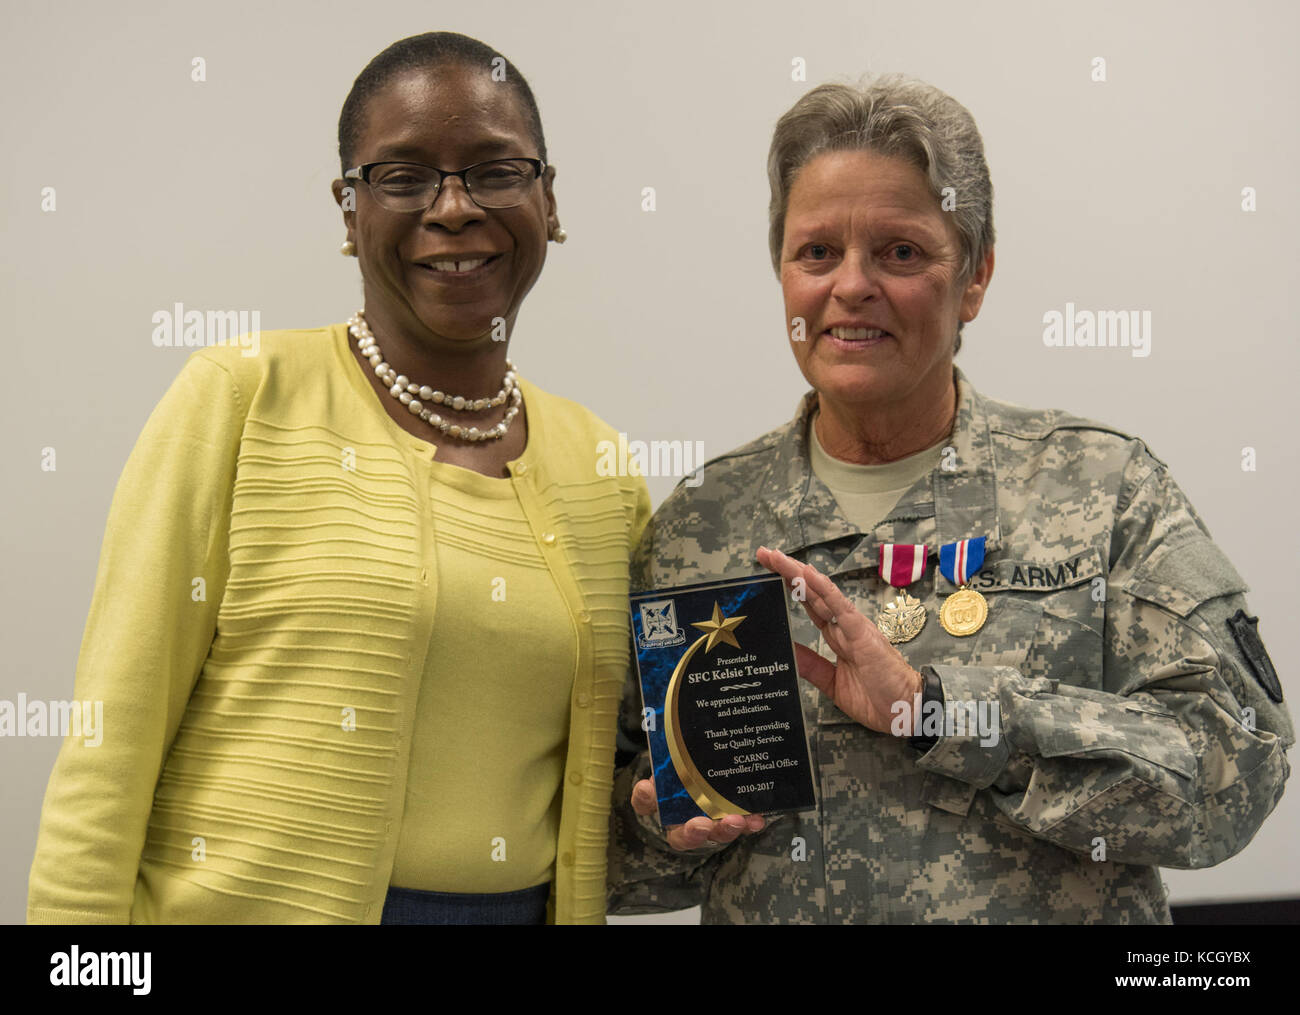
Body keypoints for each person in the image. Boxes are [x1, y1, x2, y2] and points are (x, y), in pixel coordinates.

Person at [606, 74, 1293, 923]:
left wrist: (942, 710)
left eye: (900, 252)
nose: (851, 286)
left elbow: (1238, 767)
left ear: (974, 277)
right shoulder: (697, 527)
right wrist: (660, 828)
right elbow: (612, 845)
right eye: (816, 252)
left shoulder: (1107, 491)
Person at [27, 32, 649, 925]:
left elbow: (618, 770)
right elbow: (107, 745)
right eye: (402, 177)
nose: (453, 208)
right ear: (349, 213)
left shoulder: (601, 469)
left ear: (548, 201)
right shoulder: (241, 399)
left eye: (495, 170)